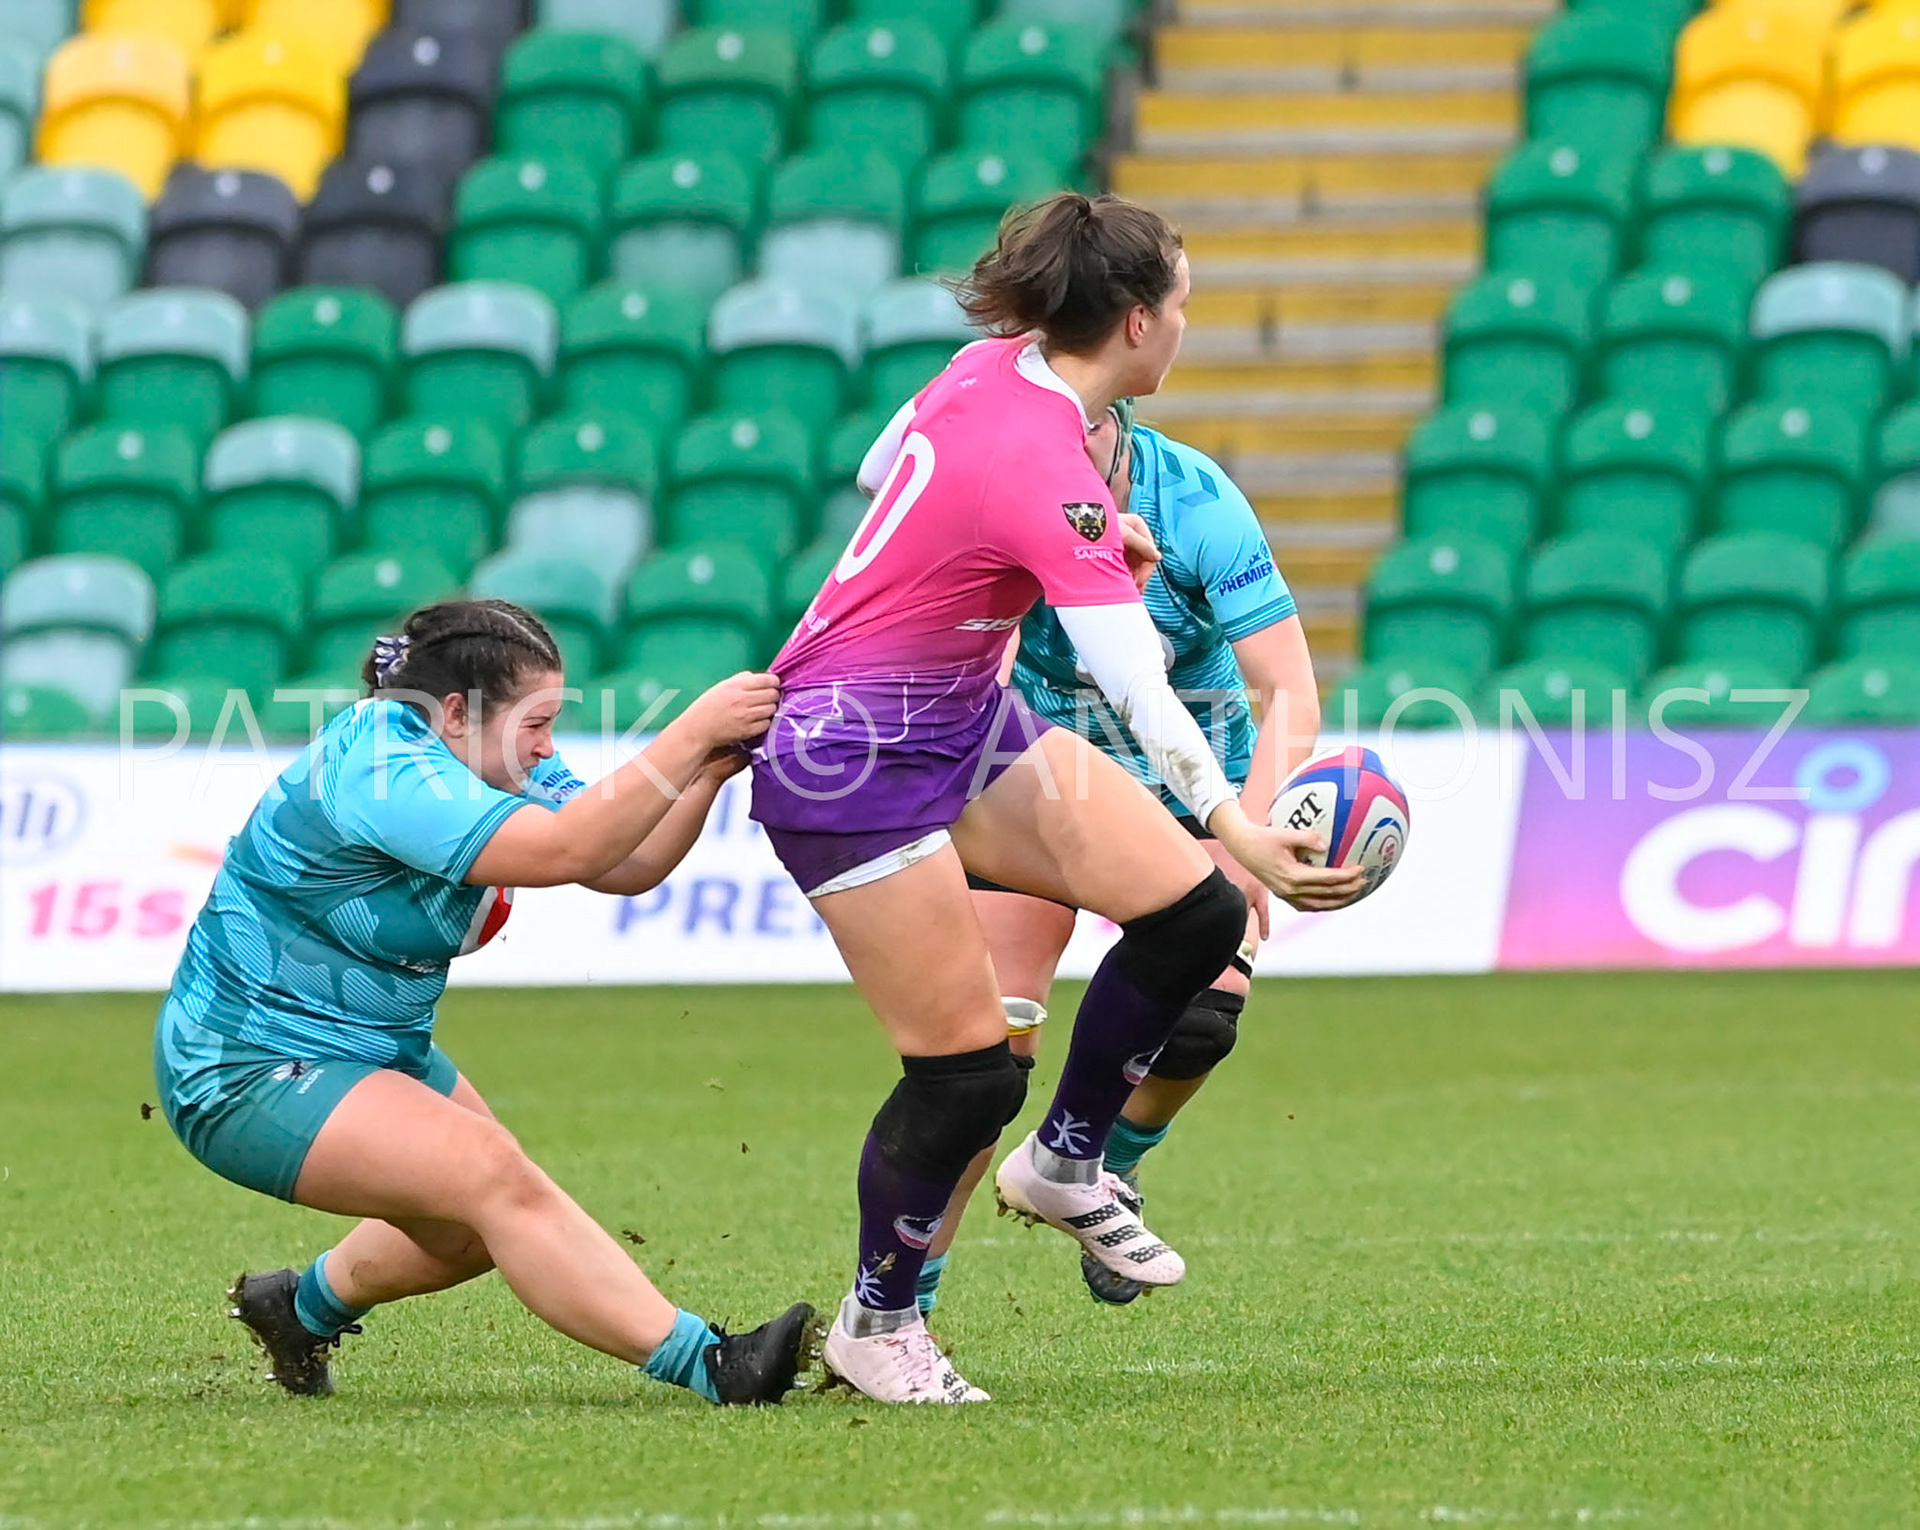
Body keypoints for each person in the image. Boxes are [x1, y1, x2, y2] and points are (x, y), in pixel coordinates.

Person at [751, 192, 1366, 1404]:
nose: (1187, 325)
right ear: (1138, 325)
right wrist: (1239, 822)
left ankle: (1070, 1162)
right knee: (971, 1073)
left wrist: (1042, 540)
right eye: (1183, 305)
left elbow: (890, 468)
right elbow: (1136, 680)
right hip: (852, 754)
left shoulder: (989, 372)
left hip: (969, 724)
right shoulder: (1053, 464)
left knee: (1193, 916)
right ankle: (878, 1327)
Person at [154, 598, 813, 1406]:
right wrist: (690, 727)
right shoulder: (384, 768)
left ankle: (297, 1308)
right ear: (458, 712)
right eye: (537, 720)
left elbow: (623, 862)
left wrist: (705, 767)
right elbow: (569, 847)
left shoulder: (496, 762)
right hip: (247, 1066)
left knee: (472, 1234)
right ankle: (714, 1365)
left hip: (370, 1047)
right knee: (493, 1173)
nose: (549, 743)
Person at [917, 401, 1321, 1314]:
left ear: (1119, 418)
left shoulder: (1198, 505)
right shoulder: (1003, 499)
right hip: (1039, 777)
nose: (1066, 444)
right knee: (981, 1064)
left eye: (1088, 427)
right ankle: (908, 1308)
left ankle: (1102, 1165)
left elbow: (1288, 685)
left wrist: (1251, 840)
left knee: (1203, 1018)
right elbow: (977, 670)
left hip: (1195, 777)